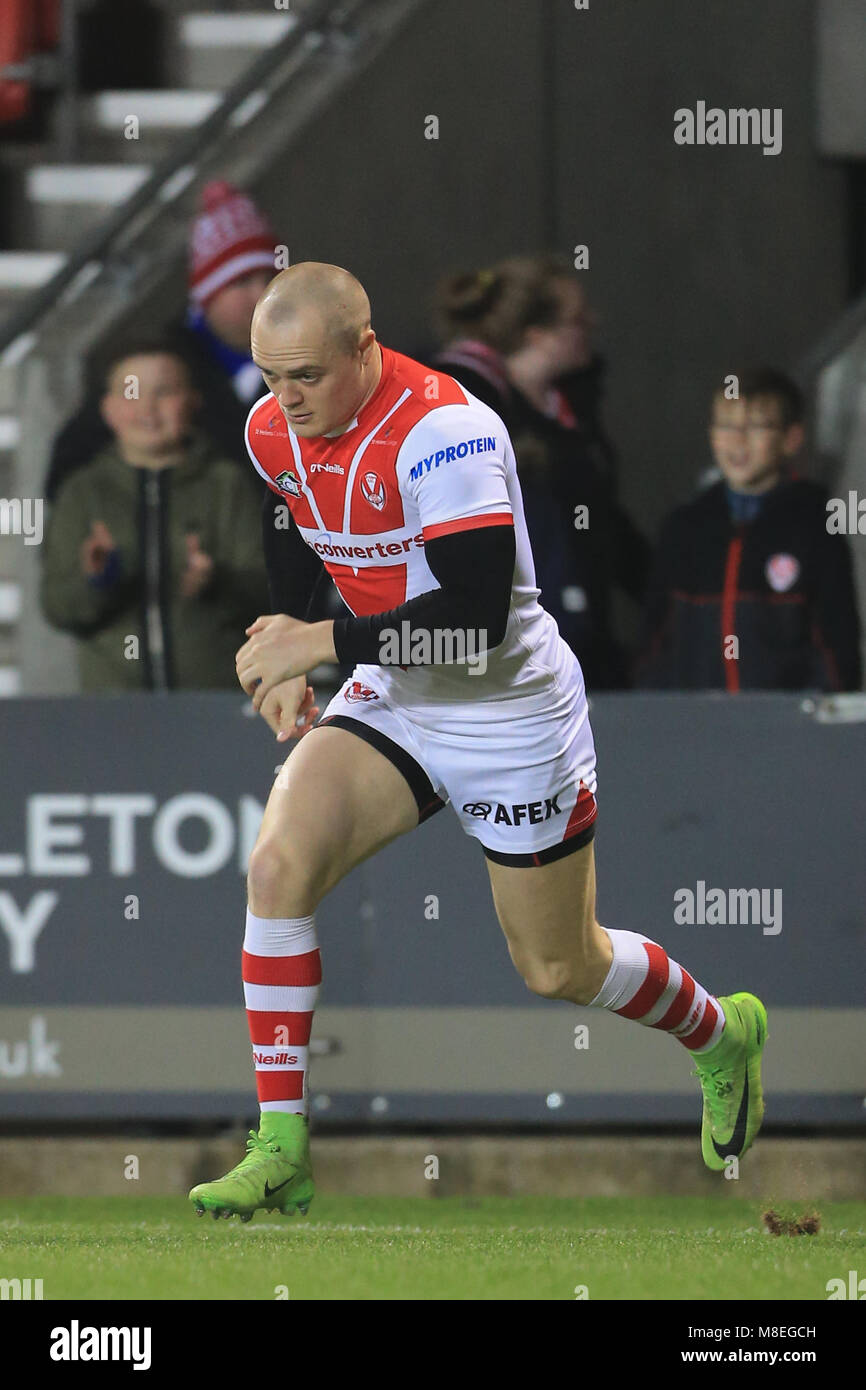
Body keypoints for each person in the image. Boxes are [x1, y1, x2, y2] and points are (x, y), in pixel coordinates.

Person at [188, 263, 768, 1223]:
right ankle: (281, 1145)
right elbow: (292, 514)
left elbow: (471, 622)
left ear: (366, 350)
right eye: (269, 375)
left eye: (306, 377)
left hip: (508, 712)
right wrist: (292, 644)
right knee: (276, 868)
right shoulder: (272, 426)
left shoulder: (443, 434)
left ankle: (720, 1036)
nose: (284, 400)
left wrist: (319, 641)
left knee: (559, 968)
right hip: (395, 692)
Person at [431, 256, 650, 688]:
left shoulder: (572, 409)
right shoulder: (467, 410)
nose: (592, 323)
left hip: (582, 644)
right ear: (537, 334)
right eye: (577, 319)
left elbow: (607, 526)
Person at [40, 340, 269, 690]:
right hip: (114, 707)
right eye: (132, 393)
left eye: (164, 392)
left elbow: (270, 592)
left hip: (216, 703)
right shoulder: (83, 493)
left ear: (193, 401)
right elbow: (57, 606)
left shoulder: (228, 485)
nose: (147, 407)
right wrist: (98, 580)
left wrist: (216, 582)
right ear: (108, 409)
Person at [44, 181, 280, 503]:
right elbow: (74, 457)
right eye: (242, 281)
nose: (262, 294)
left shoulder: (304, 363)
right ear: (208, 294)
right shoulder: (154, 363)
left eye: (270, 279)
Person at [635, 367, 862, 691]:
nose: (737, 441)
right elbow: (652, 646)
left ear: (791, 439)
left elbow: (837, 653)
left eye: (756, 427)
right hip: (693, 732)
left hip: (786, 734)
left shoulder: (816, 526)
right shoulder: (684, 528)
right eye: (726, 426)